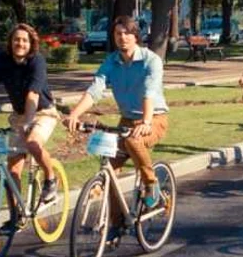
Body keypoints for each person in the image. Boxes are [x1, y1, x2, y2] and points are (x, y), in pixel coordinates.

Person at [64, 16, 169, 239]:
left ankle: (152, 185)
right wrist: (74, 114)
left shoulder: (151, 60)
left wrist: (147, 122)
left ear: (135, 37)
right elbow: (95, 90)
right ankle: (117, 224)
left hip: (154, 118)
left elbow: (149, 92)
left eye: (127, 33)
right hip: (126, 120)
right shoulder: (112, 61)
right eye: (118, 34)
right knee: (110, 169)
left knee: (133, 141)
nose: (122, 38)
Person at [0, 23, 61, 207]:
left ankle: (51, 179)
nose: (20, 43)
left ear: (31, 44)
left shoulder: (36, 61)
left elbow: (33, 93)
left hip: (43, 112)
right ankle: (16, 216)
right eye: (16, 39)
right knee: (13, 167)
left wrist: (28, 122)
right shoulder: (2, 60)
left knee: (32, 142)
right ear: (10, 42)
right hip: (19, 114)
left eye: (25, 40)